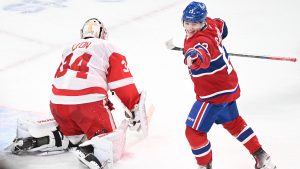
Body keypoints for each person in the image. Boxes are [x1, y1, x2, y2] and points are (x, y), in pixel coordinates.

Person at [10, 18, 147, 169]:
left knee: (75, 133)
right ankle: (91, 149)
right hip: (89, 105)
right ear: (103, 34)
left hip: (58, 106)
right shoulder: (107, 46)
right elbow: (121, 83)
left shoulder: (69, 48)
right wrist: (134, 107)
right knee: (111, 143)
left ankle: (47, 135)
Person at [180, 2, 276, 169]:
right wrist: (215, 41)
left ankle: (204, 166)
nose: (189, 27)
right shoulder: (211, 23)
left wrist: (193, 56)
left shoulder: (201, 41)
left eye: (194, 23)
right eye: (186, 22)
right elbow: (223, 26)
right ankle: (262, 157)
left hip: (213, 94)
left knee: (193, 132)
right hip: (228, 86)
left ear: (202, 22)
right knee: (234, 123)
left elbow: (202, 53)